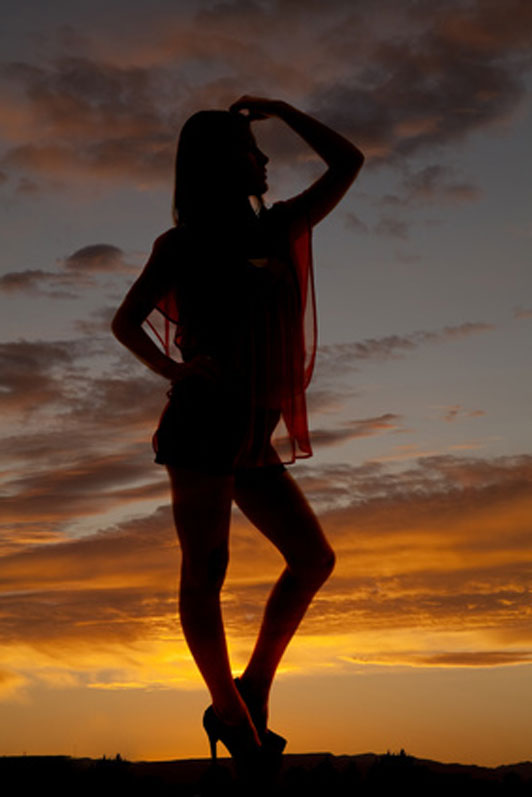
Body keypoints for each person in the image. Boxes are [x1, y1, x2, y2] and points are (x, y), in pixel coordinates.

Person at [111, 96, 364, 776]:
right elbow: (126, 321)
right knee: (207, 572)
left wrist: (281, 111)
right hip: (201, 428)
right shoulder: (183, 245)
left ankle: (251, 689)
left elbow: (349, 161)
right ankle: (230, 715)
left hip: (253, 435)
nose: (265, 160)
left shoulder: (280, 227)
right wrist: (175, 367)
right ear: (223, 163)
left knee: (313, 559)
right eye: (251, 151)